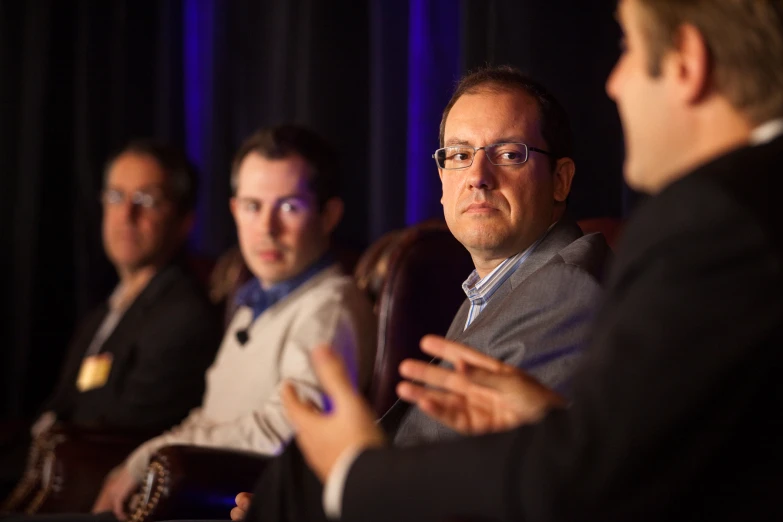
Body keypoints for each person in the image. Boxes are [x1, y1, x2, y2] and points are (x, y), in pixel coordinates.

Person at [283, 0, 783, 521]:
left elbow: (591, 480)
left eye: (628, 48)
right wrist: (554, 423)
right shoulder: (741, 206)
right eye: (457, 155)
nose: (614, 83)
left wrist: (352, 478)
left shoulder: (713, 218)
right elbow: (644, 451)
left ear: (686, 62)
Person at [235, 67, 610, 522]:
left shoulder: (567, 286)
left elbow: (480, 483)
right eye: (458, 155)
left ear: (560, 180)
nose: (478, 176)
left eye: (508, 154)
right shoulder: (497, 286)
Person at [88, 125, 377, 520]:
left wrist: (148, 457)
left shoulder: (329, 307)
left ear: (329, 215)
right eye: (252, 206)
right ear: (234, 210)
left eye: (289, 207)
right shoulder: (250, 303)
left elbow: (288, 430)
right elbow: (211, 419)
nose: (267, 228)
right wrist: (140, 460)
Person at [0, 140, 222, 500]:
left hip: (89, 482)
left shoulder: (184, 315)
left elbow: (125, 427)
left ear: (184, 221)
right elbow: (62, 403)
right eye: (116, 197)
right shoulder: (105, 311)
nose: (126, 214)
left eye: (146, 200)